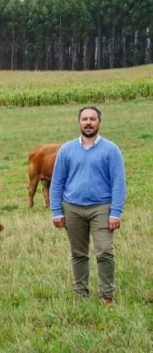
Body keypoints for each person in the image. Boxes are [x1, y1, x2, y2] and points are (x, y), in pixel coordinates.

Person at [49, 106, 126, 304]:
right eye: (85, 119)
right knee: (78, 254)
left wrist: (115, 213)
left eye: (92, 119)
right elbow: (57, 182)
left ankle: (107, 294)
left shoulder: (111, 149)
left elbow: (118, 183)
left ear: (99, 122)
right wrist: (56, 211)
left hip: (102, 208)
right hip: (72, 207)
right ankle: (81, 295)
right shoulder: (67, 150)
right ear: (79, 123)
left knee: (105, 251)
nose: (88, 122)